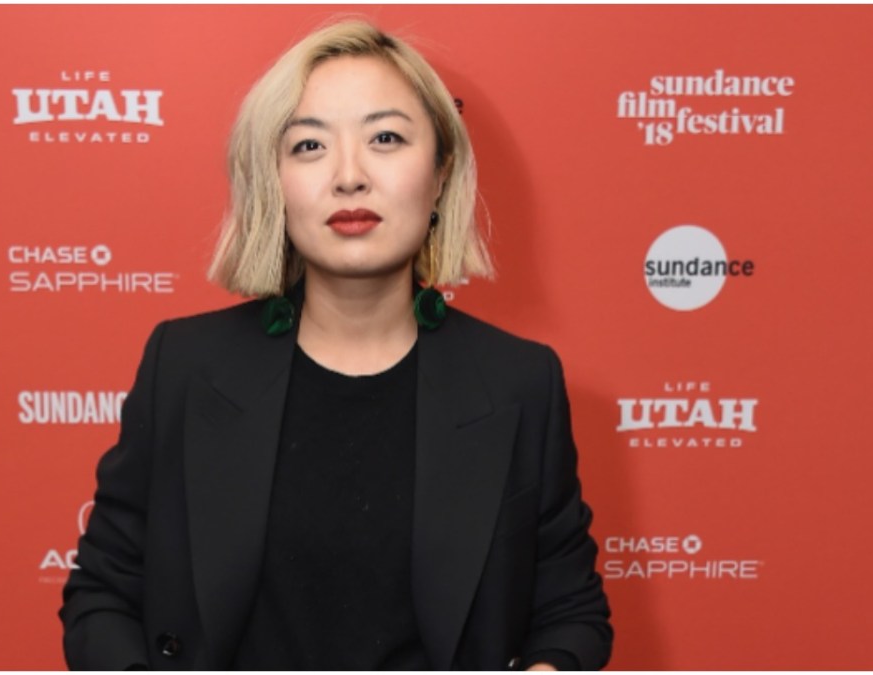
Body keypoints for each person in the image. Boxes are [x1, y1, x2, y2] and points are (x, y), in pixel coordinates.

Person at [60, 19, 612, 671]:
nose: (349, 176)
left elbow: (571, 613)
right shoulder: (184, 364)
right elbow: (102, 592)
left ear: (440, 172)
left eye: (385, 138)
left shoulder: (520, 380)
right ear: (273, 181)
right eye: (309, 145)